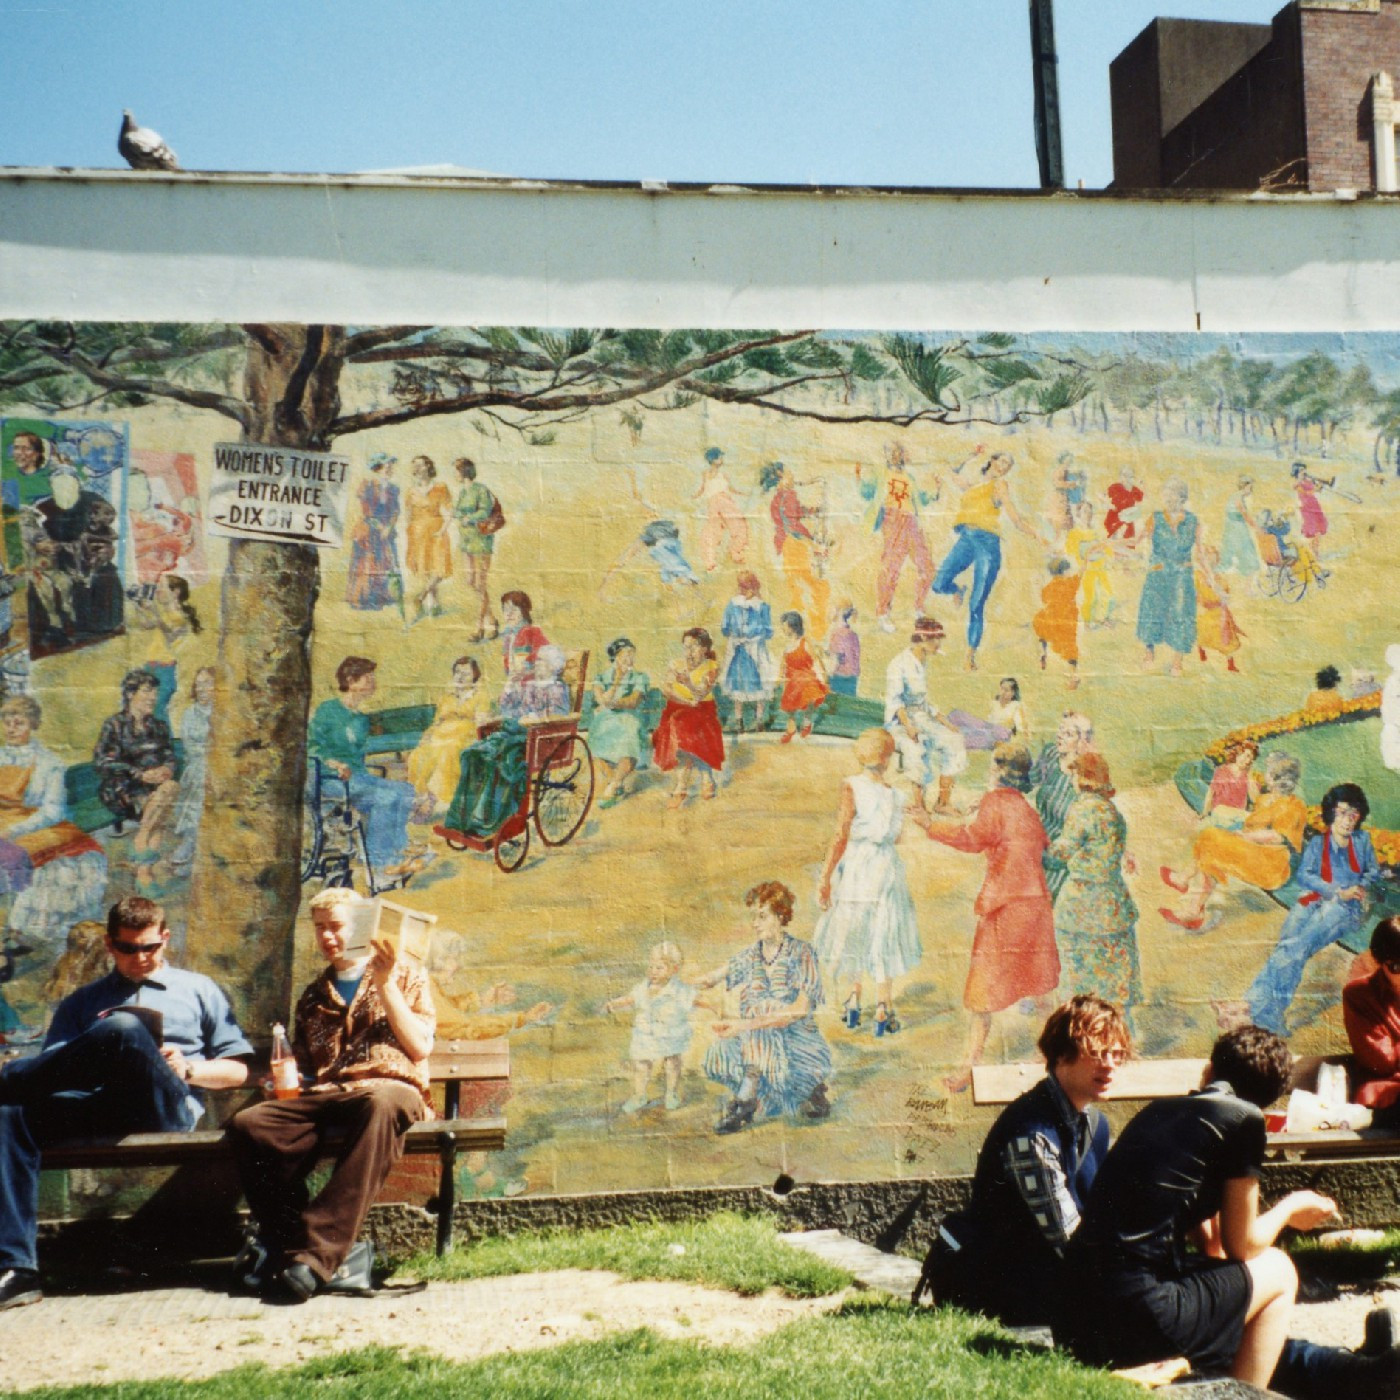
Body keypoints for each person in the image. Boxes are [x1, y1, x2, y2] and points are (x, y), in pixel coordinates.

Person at [1058, 1026, 1400, 1396]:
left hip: (1077, 1313)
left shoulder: (1163, 1111)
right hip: (1136, 1314)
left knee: (1241, 1299)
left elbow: (1216, 1247)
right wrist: (1293, 1206)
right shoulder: (1244, 1120)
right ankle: (1243, 1392)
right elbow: (1245, 1247)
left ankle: (1349, 1371)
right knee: (1280, 1270)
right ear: (1267, 1100)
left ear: (1209, 1071)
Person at [0, 895, 252, 1309]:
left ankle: (8, 1075)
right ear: (109, 945)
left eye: (150, 947)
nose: (141, 958)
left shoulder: (199, 990)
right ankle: (19, 1269)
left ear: (165, 939)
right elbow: (56, 1071)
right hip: (98, 1107)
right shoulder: (82, 1002)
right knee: (10, 1114)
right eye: (128, 948)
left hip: (165, 1106)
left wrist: (187, 1068)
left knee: (124, 1026)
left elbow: (239, 1070)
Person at [226, 887, 433, 1302]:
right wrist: (282, 1082)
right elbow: (303, 1066)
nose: (327, 938)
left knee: (381, 1102)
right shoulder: (314, 995)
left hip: (389, 1088)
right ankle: (291, 1247)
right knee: (250, 1123)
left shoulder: (407, 974)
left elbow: (420, 1047)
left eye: (335, 926)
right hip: (330, 1093)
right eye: (319, 928)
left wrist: (384, 983)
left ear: (360, 926)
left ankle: (316, 1259)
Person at [928, 995, 1130, 1326]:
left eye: (1116, 1054)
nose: (1109, 1064)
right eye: (1096, 1053)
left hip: (1048, 1276)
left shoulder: (1095, 1125)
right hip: (1003, 1289)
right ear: (1061, 1055)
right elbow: (1066, 1236)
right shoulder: (1032, 1131)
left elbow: (1098, 1220)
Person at [921, 742, 1059, 1093]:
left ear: (997, 771)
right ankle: (1055, 1059)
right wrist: (981, 806)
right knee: (1040, 988)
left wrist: (929, 824)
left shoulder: (996, 803)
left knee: (981, 994)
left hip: (1006, 906)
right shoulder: (1023, 807)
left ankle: (967, 1068)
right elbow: (1029, 840)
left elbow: (972, 839)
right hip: (1036, 906)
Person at [1231, 782, 1380, 1035]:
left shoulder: (1362, 841)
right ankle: (1271, 1014)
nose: (1347, 820)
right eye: (1342, 812)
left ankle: (1251, 1004)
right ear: (1332, 812)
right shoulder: (1318, 844)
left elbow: (1373, 872)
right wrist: (1333, 890)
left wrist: (1359, 887)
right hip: (1316, 897)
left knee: (1295, 947)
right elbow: (1305, 876)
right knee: (1289, 944)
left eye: (1353, 815)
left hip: (1346, 908)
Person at [697, 881, 832, 1134]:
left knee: (763, 1014)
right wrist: (671, 987)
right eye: (753, 917)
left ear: (781, 916)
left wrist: (744, 1025)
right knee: (722, 1050)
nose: (755, 924)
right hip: (758, 1047)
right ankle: (752, 1094)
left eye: (762, 916)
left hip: (798, 1043)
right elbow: (710, 978)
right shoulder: (750, 955)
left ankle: (747, 1101)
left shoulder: (802, 953)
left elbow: (799, 1010)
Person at [813, 729, 923, 1037]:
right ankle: (883, 1006)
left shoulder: (852, 786)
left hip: (859, 864)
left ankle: (853, 999)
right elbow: (897, 837)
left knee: (856, 930)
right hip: (886, 866)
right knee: (883, 932)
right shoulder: (896, 795)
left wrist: (825, 876)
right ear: (887, 759)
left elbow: (841, 834)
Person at [0, 695, 107, 958]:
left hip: (36, 823)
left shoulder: (49, 763)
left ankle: (16, 932)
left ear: (33, 725)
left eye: (19, 722)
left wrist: (15, 830)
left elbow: (53, 810)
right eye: (7, 721)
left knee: (62, 863)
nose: (12, 728)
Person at [307, 657, 426, 884]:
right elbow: (312, 746)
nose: (373, 682)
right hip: (327, 777)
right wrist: (335, 764)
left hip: (356, 777)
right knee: (385, 797)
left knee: (405, 790)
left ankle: (397, 851)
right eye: (368, 678)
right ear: (351, 681)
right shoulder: (328, 710)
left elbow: (358, 757)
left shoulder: (361, 719)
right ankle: (379, 865)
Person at [1162, 751, 1307, 932]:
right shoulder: (1264, 799)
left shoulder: (1294, 806)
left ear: (1275, 779)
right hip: (1253, 851)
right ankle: (1191, 903)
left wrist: (1246, 836)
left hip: (1271, 864)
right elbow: (1250, 819)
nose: (1265, 775)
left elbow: (1278, 837)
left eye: (1268, 772)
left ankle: (1189, 899)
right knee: (1210, 838)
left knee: (1214, 843)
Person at [928, 451, 1046, 671]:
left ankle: (970, 656)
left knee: (977, 603)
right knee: (938, 583)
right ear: (992, 460)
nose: (1004, 467)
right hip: (966, 539)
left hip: (988, 544)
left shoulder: (1000, 486)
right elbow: (952, 470)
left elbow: (1015, 517)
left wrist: (1035, 533)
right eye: (1002, 461)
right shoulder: (973, 484)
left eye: (1008, 465)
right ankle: (956, 589)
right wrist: (971, 454)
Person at [1049, 753, 1142, 1015]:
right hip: (1112, 899)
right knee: (1113, 975)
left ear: (1082, 778)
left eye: (1075, 774)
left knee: (1079, 973)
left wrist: (1039, 847)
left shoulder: (1083, 809)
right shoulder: (1111, 810)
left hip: (1083, 902)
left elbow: (1061, 853)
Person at [604, 940, 703, 1113]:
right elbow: (631, 999)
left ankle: (671, 1093)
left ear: (673, 970)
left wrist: (715, 1008)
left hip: (670, 1032)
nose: (653, 972)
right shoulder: (643, 987)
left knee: (672, 1062)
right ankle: (639, 1095)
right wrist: (614, 1004)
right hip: (645, 1034)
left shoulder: (678, 989)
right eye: (651, 967)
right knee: (642, 1064)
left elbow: (695, 1000)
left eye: (659, 968)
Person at [93, 667, 180, 858]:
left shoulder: (159, 726)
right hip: (123, 789)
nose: (153, 697)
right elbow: (102, 763)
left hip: (155, 789)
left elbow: (170, 756)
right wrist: (139, 774)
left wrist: (166, 768)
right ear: (130, 694)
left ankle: (142, 847)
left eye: (155, 692)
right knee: (161, 809)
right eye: (147, 691)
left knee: (169, 788)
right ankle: (145, 859)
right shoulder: (115, 725)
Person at [884, 616, 967, 815]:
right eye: (933, 638)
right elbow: (896, 702)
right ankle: (919, 805)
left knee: (955, 741)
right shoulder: (899, 664)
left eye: (939, 638)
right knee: (917, 746)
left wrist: (946, 723)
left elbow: (924, 703)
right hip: (900, 722)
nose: (937, 643)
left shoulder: (923, 662)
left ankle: (942, 803)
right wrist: (909, 727)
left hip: (920, 717)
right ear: (921, 637)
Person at [856, 441, 939, 634]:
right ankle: (883, 613)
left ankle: (919, 608)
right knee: (891, 568)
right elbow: (867, 493)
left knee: (927, 567)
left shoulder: (909, 477)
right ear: (886, 455)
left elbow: (921, 499)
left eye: (897, 452)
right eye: (890, 452)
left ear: (902, 454)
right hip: (892, 519)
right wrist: (859, 477)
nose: (894, 455)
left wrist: (936, 491)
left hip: (911, 521)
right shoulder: (881, 474)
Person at [405, 656, 493, 811]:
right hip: (440, 736)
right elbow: (437, 722)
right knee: (418, 755)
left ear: (474, 675)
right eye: (457, 672)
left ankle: (443, 799)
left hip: (464, 737)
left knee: (447, 752)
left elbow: (482, 722)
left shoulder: (480, 696)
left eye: (465, 673)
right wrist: (427, 736)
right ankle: (422, 796)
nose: (460, 676)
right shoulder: (447, 697)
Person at [652, 627, 725, 809]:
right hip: (677, 707)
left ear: (705, 648)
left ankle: (684, 785)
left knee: (685, 732)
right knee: (676, 728)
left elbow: (701, 694)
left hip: (702, 710)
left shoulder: (711, 666)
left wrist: (687, 683)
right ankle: (698, 780)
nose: (689, 652)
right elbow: (667, 690)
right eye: (686, 647)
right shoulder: (676, 664)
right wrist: (685, 700)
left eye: (694, 647)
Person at [1030, 710, 1097, 900]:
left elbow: (1098, 817)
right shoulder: (1051, 753)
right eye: (1061, 729)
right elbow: (1029, 781)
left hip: (1064, 851)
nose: (1060, 735)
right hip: (1038, 837)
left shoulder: (1086, 775)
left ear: (1081, 741)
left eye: (1068, 734)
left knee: (1042, 899)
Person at [1137, 477, 1200, 677]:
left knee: (1181, 614)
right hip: (1158, 572)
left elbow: (1200, 551)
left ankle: (1177, 662)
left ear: (1181, 498)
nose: (1167, 498)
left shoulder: (1192, 521)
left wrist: (1212, 579)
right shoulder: (1155, 518)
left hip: (1182, 574)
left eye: (1171, 494)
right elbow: (1138, 540)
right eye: (1166, 494)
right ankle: (1149, 654)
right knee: (1152, 610)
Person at [1343, 916, 1400, 1126]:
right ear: (1379, 961)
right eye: (1396, 966)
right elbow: (1381, 1060)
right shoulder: (1359, 994)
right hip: (1387, 1094)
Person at [760, 461, 829, 630]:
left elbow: (794, 514)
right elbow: (793, 528)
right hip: (796, 545)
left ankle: (797, 626)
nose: (793, 476)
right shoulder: (788, 495)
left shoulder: (779, 497)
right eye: (789, 473)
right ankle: (817, 626)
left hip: (785, 545)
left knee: (796, 588)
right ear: (780, 477)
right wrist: (814, 545)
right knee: (815, 586)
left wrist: (814, 511)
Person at [589, 637, 650, 809]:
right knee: (596, 734)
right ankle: (616, 782)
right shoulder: (601, 677)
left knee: (629, 734)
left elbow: (633, 701)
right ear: (615, 657)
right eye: (625, 654)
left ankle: (614, 785)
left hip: (630, 717)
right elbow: (601, 699)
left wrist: (612, 704)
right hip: (607, 718)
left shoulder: (640, 677)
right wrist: (617, 681)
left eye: (632, 654)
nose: (629, 658)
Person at [451, 457, 501, 642]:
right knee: (471, 581)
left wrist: (468, 518)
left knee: (481, 583)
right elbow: (458, 511)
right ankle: (492, 620)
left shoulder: (480, 489)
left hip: (481, 541)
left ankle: (479, 628)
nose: (454, 475)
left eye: (456, 471)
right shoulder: (463, 492)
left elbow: (485, 512)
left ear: (464, 471)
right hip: (466, 541)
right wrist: (455, 514)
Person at [719, 572, 776, 733]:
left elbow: (769, 631)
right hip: (738, 649)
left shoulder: (762, 606)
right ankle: (739, 721)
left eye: (746, 586)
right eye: (742, 586)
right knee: (738, 683)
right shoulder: (733, 604)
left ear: (753, 586)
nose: (743, 590)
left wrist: (754, 636)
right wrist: (736, 636)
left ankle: (759, 720)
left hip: (756, 649)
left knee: (760, 681)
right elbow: (724, 627)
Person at [346, 453, 400, 612]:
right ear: (378, 469)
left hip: (385, 530)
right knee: (366, 563)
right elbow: (366, 512)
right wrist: (380, 527)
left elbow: (395, 511)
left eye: (391, 467)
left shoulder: (393, 489)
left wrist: (389, 527)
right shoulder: (367, 485)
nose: (390, 470)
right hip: (368, 529)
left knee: (382, 562)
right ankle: (361, 598)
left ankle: (379, 596)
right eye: (387, 467)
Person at [404, 455, 452, 620]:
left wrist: (442, 530)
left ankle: (422, 596)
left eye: (420, 465)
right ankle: (432, 604)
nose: (416, 469)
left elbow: (449, 512)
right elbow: (408, 515)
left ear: (428, 467)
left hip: (436, 530)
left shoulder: (440, 487)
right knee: (425, 567)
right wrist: (410, 533)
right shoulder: (411, 491)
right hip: (417, 532)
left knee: (439, 567)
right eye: (414, 466)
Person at [694, 447, 749, 571]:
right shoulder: (708, 474)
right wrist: (694, 497)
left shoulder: (722, 475)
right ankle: (712, 560)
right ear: (713, 460)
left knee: (733, 527)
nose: (722, 460)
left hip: (720, 501)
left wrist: (742, 493)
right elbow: (702, 489)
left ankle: (734, 553)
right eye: (720, 457)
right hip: (718, 502)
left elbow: (731, 489)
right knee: (717, 530)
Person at [776, 611, 828, 742]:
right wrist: (779, 678)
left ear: (793, 626)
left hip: (805, 676)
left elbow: (816, 660)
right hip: (792, 680)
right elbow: (783, 666)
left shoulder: (805, 643)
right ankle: (791, 728)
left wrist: (823, 675)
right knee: (790, 705)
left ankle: (806, 721)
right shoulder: (787, 647)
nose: (783, 628)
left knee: (808, 691)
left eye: (785, 625)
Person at [1032, 556, 1081, 689]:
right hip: (1067, 620)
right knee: (1070, 647)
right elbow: (1081, 574)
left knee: (1042, 630)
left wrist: (1040, 584)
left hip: (1050, 618)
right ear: (1064, 571)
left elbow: (1044, 599)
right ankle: (1073, 675)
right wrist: (1087, 559)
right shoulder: (1070, 583)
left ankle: (1043, 651)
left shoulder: (1049, 586)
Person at [1195, 545, 1243, 674]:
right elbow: (1194, 594)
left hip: (1220, 612)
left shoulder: (1219, 578)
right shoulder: (1197, 576)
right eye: (1207, 559)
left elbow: (1226, 596)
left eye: (1213, 559)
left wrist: (1219, 592)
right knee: (1202, 632)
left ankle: (1230, 663)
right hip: (1205, 611)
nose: (1210, 562)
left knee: (1227, 639)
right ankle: (1201, 649)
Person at [499, 590, 548, 677]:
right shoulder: (508, 637)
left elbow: (545, 660)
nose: (509, 614)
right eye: (506, 610)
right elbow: (508, 667)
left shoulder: (533, 632)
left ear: (524, 611)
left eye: (514, 610)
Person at [1219, 475, 1261, 576]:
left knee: (1234, 547)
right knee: (1246, 548)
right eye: (1250, 487)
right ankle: (1246, 569)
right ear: (1245, 486)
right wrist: (1257, 528)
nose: (1251, 490)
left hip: (1233, 526)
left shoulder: (1236, 496)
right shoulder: (1238, 498)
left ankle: (1238, 568)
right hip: (1236, 527)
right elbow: (1245, 515)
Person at [824, 600, 861, 698]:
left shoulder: (837, 634)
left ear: (839, 612)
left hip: (839, 679)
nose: (828, 612)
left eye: (831, 609)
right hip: (852, 679)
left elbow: (836, 660)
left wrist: (827, 677)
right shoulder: (853, 635)